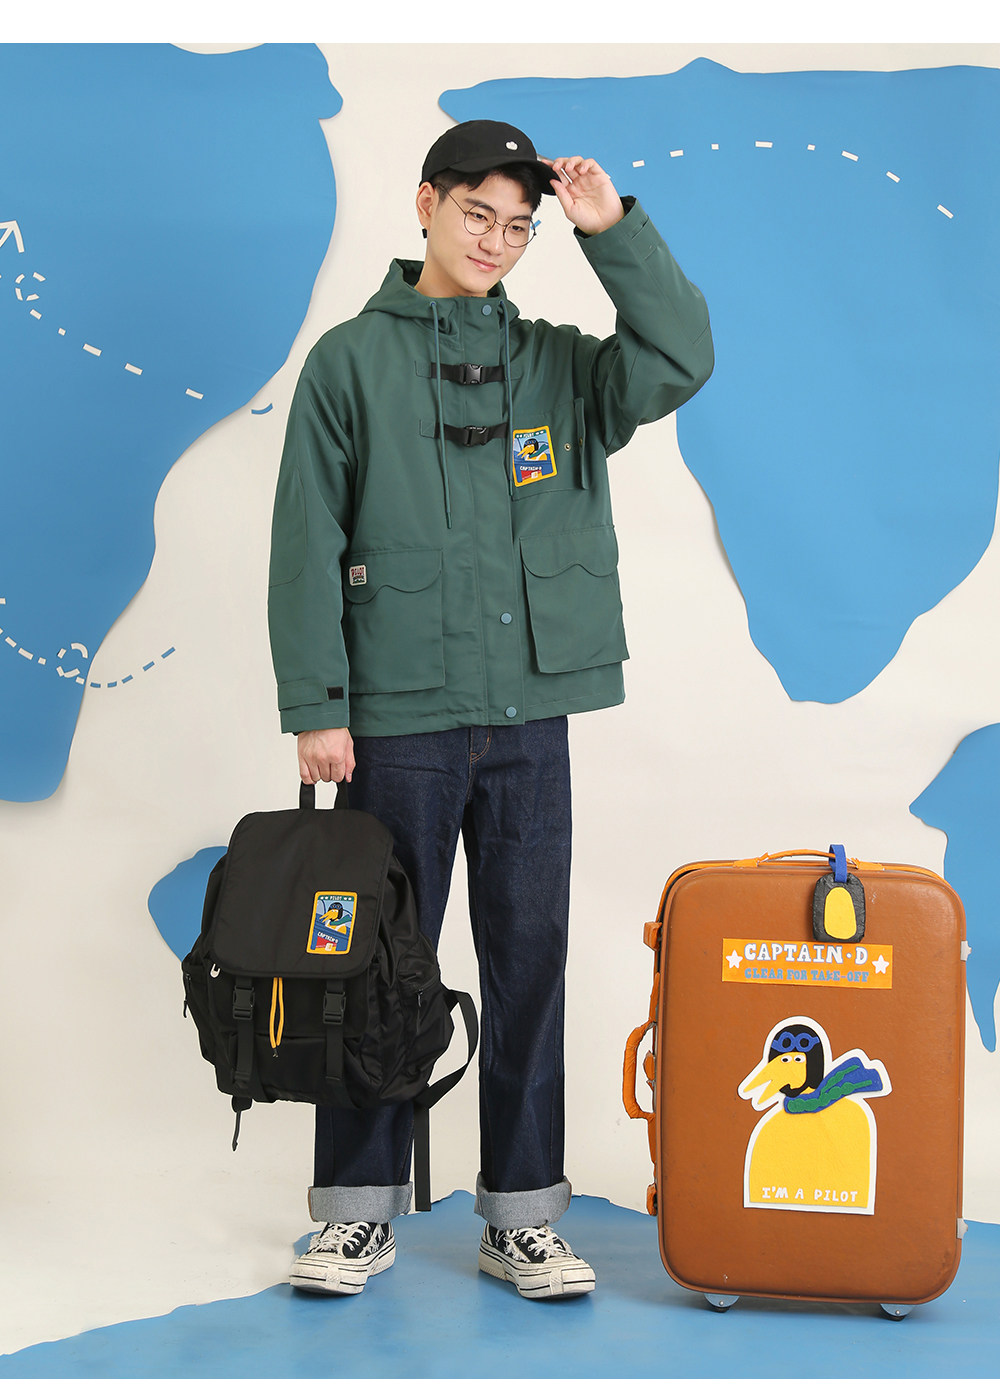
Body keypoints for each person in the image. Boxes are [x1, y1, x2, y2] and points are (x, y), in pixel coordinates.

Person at [267, 118, 714, 1300]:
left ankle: (521, 1214)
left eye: (519, 228)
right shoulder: (347, 364)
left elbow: (680, 356)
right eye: (479, 215)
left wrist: (610, 232)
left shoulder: (561, 369)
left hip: (526, 722)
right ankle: (355, 1212)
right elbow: (305, 542)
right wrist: (317, 705)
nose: (497, 243)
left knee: (528, 962)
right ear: (426, 204)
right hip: (397, 722)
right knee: (372, 965)